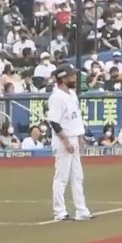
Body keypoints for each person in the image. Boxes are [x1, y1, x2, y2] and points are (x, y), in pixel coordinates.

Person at [46, 65, 93, 221]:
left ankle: (81, 210)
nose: (75, 78)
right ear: (63, 78)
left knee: (78, 176)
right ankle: (59, 211)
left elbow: (75, 118)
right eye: (72, 76)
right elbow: (54, 122)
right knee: (61, 177)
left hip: (74, 137)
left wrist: (80, 137)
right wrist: (66, 141)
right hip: (63, 139)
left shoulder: (72, 94)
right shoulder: (57, 97)